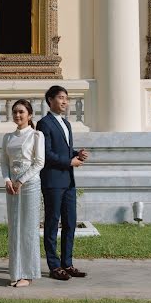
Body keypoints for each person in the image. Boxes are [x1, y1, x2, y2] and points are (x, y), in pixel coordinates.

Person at [37, 85, 89, 281]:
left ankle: (67, 263)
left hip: (68, 181)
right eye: (60, 97)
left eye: (66, 98)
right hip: (52, 181)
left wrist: (77, 154)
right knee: (52, 223)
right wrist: (69, 161)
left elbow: (65, 149)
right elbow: (46, 154)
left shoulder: (66, 124)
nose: (65, 101)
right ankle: (54, 266)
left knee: (70, 223)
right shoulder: (44, 123)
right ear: (50, 100)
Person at [0, 99, 45, 287]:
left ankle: (28, 274)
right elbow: (4, 162)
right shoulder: (7, 137)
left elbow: (39, 162)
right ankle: (15, 272)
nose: (18, 115)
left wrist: (20, 180)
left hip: (30, 185)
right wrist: (8, 180)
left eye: (21, 112)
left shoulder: (36, 135)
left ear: (29, 114)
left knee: (28, 228)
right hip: (12, 187)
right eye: (15, 112)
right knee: (15, 227)